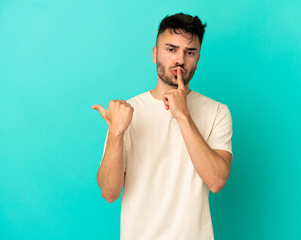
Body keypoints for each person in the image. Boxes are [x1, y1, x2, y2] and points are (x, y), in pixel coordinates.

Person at [92, 12, 233, 240]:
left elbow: (217, 181)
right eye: (171, 49)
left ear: (197, 59)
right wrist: (117, 132)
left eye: (189, 52)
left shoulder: (217, 111)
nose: (179, 60)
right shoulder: (128, 112)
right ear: (155, 54)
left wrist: (183, 115)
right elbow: (109, 192)